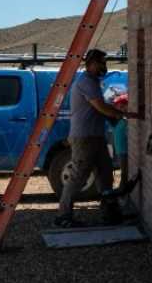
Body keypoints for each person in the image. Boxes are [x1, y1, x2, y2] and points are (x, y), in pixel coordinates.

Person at [54, 48, 129, 228]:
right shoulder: (86, 82)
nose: (103, 66)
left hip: (96, 137)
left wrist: (115, 115)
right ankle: (63, 216)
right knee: (78, 177)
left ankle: (109, 213)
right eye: (100, 63)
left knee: (105, 175)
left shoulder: (93, 82)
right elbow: (100, 107)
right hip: (84, 138)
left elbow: (100, 109)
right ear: (90, 64)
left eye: (104, 62)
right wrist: (119, 115)